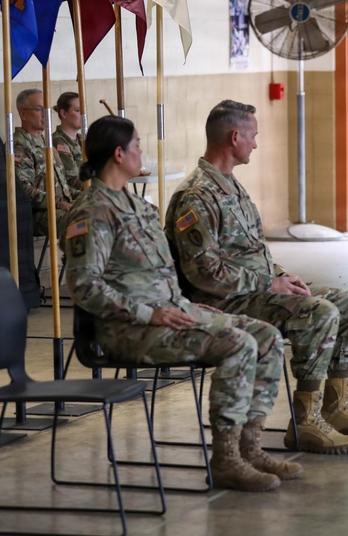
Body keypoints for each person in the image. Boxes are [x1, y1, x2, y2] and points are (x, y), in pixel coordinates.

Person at [62, 115, 302, 492]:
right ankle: (226, 460)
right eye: (137, 144)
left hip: (168, 317)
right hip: (131, 329)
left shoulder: (136, 206)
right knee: (238, 344)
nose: (143, 150)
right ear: (119, 153)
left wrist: (191, 307)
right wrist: (149, 313)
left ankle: (250, 447)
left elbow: (159, 278)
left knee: (266, 336)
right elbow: (83, 286)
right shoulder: (94, 211)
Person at [164, 100, 348, 456]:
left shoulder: (230, 186)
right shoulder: (197, 196)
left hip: (253, 290)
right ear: (234, 136)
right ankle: (305, 420)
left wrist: (284, 277)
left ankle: (334, 408)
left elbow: (252, 253)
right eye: (252, 136)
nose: (255, 143)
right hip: (221, 301)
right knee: (319, 312)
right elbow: (204, 274)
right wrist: (269, 284)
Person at [13, 88, 77, 237]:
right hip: (39, 214)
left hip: (61, 207)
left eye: (47, 110)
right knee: (81, 222)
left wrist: (88, 195)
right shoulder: (19, 146)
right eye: (39, 110)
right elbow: (22, 190)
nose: (45, 115)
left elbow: (64, 185)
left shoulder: (46, 143)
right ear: (23, 114)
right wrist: (58, 203)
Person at [52, 91, 82, 190]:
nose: (83, 114)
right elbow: (72, 180)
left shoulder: (82, 140)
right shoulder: (58, 142)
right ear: (64, 113)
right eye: (78, 111)